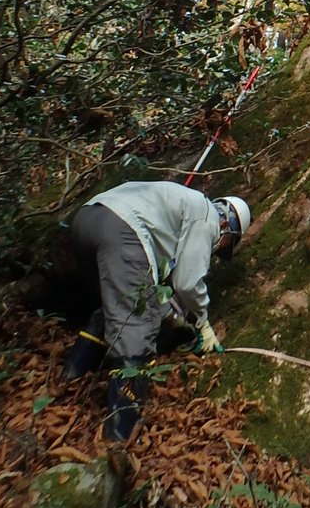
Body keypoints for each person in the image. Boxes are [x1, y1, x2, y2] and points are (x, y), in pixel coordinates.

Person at [63, 180, 251, 441]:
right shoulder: (206, 216)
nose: (219, 249)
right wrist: (203, 322)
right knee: (136, 331)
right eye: (225, 245)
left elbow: (158, 285)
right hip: (121, 230)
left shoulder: (184, 205)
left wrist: (171, 316)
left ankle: (70, 379)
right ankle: (119, 437)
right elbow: (187, 282)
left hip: (88, 218)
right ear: (227, 226)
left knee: (116, 309)